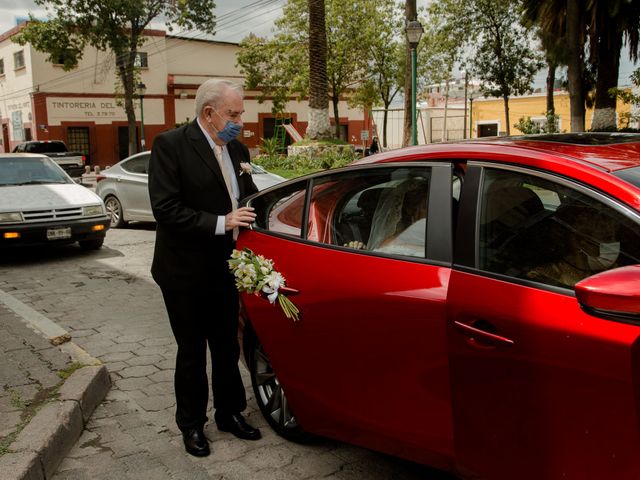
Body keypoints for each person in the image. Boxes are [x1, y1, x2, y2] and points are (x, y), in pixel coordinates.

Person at [148, 79, 260, 458]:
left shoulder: (237, 149)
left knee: (227, 347)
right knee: (192, 351)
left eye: (241, 114)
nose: (240, 122)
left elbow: (246, 200)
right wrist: (221, 222)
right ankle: (192, 424)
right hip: (184, 271)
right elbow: (165, 209)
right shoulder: (171, 146)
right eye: (233, 114)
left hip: (225, 269)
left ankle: (230, 413)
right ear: (209, 114)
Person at [528, 203, 620, 288]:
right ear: (581, 243)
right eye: (607, 238)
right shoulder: (546, 277)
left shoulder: (608, 270)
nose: (614, 243)